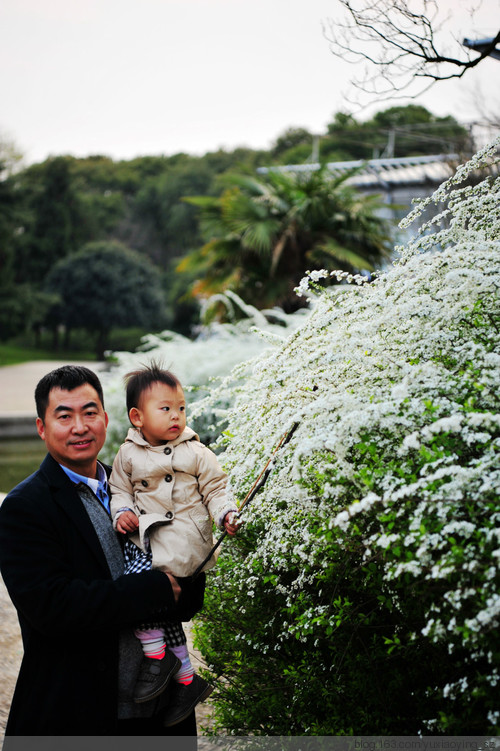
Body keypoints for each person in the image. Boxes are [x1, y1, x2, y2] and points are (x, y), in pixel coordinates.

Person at [0, 365, 205, 742]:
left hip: (160, 715)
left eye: (90, 412)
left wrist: (187, 577)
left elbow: (186, 585)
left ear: (107, 420)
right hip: (80, 712)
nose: (80, 427)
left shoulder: (139, 487)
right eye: (64, 416)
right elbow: (54, 608)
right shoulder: (25, 507)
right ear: (42, 428)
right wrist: (156, 590)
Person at [109, 363, 240, 728]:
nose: (176, 416)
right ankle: (183, 676)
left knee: (143, 597)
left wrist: (225, 513)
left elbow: (216, 488)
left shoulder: (195, 451)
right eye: (165, 408)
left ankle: (158, 659)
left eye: (181, 407)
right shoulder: (128, 454)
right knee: (150, 604)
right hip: (148, 539)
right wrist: (121, 512)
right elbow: (118, 489)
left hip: (183, 543)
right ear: (137, 417)